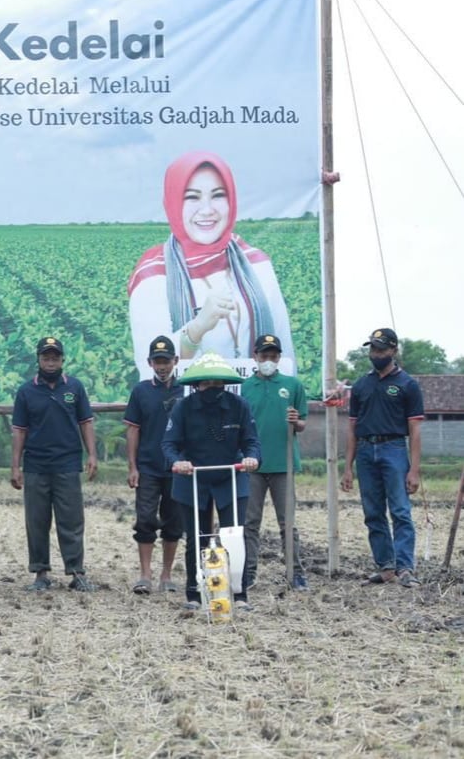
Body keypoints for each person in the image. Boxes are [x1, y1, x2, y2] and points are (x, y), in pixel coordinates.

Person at [128, 150, 293, 380]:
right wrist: (195, 330)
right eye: (192, 197)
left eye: (218, 195)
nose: (207, 209)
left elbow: (285, 357)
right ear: (173, 202)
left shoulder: (257, 265)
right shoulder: (153, 276)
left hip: (250, 407)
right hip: (187, 411)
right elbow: (150, 369)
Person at [162, 353, 260, 613]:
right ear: (196, 385)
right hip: (192, 477)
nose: (212, 389)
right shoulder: (183, 407)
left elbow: (251, 440)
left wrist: (251, 458)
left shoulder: (239, 405)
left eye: (217, 384)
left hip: (230, 474)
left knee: (234, 536)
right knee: (197, 537)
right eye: (206, 384)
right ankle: (194, 592)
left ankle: (240, 592)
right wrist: (177, 462)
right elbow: (169, 443)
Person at [10, 337, 99, 593]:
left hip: (68, 463)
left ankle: (77, 572)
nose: (50, 362)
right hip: (36, 465)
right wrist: (15, 466)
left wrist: (92, 455)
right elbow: (19, 431)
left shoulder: (75, 388)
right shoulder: (27, 391)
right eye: (45, 358)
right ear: (38, 360)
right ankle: (41, 573)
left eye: (55, 358)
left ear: (62, 360)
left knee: (71, 520)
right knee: (36, 521)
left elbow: (86, 423)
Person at [340, 327, 424, 588]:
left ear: (393, 350)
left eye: (381, 349)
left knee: (400, 510)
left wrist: (414, 470)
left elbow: (415, 429)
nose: (376, 354)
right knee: (373, 512)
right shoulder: (362, 384)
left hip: (394, 449)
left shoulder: (407, 384)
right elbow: (352, 428)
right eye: (373, 349)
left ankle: (405, 568)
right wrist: (347, 467)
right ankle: (386, 567)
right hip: (365, 451)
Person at [240, 333, 309, 591]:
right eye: (263, 355)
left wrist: (296, 422)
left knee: (287, 522)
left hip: (284, 465)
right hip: (253, 465)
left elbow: (302, 423)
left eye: (273, 355)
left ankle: (295, 573)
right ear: (255, 357)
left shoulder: (292, 385)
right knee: (250, 523)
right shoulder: (246, 387)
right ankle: (248, 573)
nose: (268, 360)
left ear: (279, 357)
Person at [124, 335, 183, 595]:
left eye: (166, 361)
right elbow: (133, 430)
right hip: (148, 467)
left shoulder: (186, 391)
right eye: (157, 361)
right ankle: (145, 574)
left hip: (178, 468)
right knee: (145, 519)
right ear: (149, 362)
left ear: (175, 361)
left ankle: (167, 575)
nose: (162, 366)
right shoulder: (140, 391)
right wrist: (132, 466)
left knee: (174, 523)